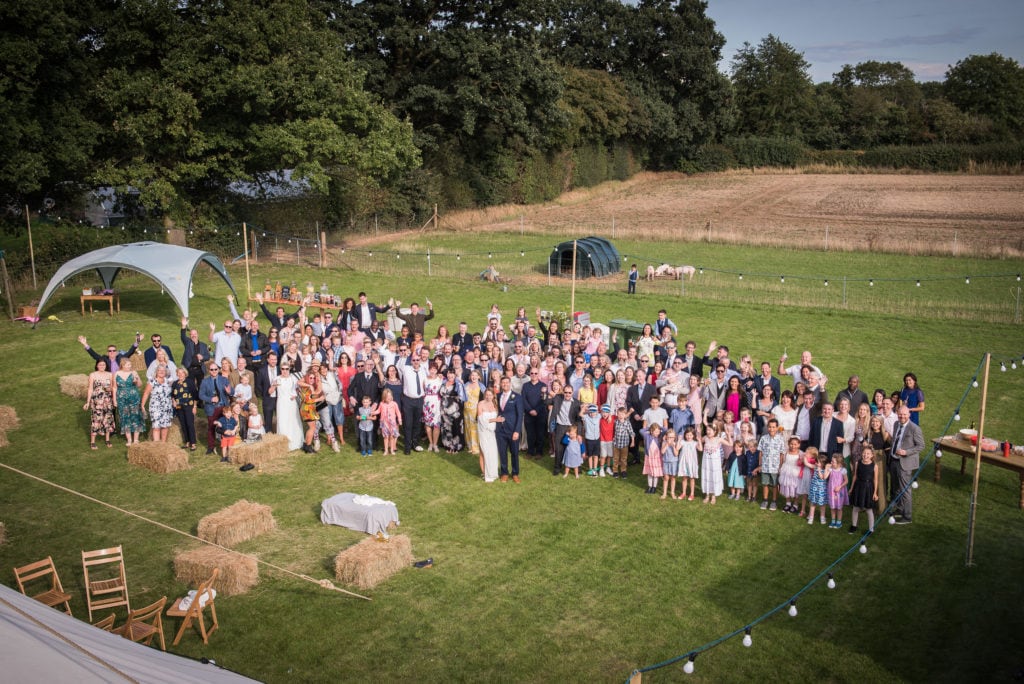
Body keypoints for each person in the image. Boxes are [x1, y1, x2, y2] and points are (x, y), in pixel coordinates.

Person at [889, 406, 923, 524]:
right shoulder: (896, 424)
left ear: (909, 415)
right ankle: (900, 509)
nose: (902, 417)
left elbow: (920, 446)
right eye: (900, 414)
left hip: (905, 463)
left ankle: (907, 516)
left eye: (904, 415)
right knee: (897, 488)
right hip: (894, 459)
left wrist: (906, 452)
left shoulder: (915, 428)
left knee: (905, 489)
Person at [199, 361, 233, 454]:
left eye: (215, 369)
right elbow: (201, 395)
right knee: (211, 427)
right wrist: (210, 399)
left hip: (223, 407)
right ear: (209, 371)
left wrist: (229, 391)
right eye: (212, 369)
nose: (214, 371)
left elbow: (232, 391)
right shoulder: (205, 381)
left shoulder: (224, 379)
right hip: (212, 408)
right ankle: (211, 446)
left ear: (218, 370)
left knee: (225, 426)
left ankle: (226, 445)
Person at [494, 376, 524, 483]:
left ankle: (515, 473)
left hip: (512, 430)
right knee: (502, 452)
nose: (505, 384)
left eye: (507, 382)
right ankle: (504, 473)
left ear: (510, 383)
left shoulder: (517, 397)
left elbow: (520, 415)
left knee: (514, 453)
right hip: (500, 430)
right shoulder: (497, 396)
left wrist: (517, 431)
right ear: (501, 384)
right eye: (503, 383)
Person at [84, 358, 116, 449]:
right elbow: (90, 388)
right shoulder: (93, 375)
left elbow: (113, 388)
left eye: (104, 365)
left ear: (106, 366)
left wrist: (110, 392)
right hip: (96, 401)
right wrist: (87, 401)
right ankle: (93, 442)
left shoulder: (110, 374)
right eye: (100, 365)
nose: (102, 366)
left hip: (107, 400)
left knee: (108, 419)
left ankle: (107, 439)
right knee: (96, 419)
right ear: (97, 365)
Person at [271, 364, 304, 451]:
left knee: (293, 420)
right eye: (283, 369)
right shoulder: (277, 379)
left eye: (286, 369)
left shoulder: (293, 378)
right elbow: (270, 391)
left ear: (289, 369)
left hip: (291, 403)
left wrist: (295, 394)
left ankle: (295, 441)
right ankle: (284, 443)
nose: (285, 371)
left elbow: (298, 389)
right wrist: (274, 386)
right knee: (282, 421)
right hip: (281, 403)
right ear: (280, 369)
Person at [398, 356, 427, 454]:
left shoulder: (423, 370)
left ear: (420, 361)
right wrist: (405, 355)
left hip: (419, 400)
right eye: (413, 360)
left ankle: (415, 443)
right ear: (411, 361)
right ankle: (407, 446)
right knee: (408, 424)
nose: (415, 362)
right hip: (408, 400)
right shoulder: (406, 369)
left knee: (417, 424)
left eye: (417, 360)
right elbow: (399, 364)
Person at [849, 445, 880, 534]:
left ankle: (871, 529)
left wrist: (875, 493)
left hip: (868, 488)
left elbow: (875, 479)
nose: (865, 455)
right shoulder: (858, 463)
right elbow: (855, 476)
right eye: (864, 453)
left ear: (872, 455)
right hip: (858, 487)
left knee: (869, 509)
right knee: (855, 508)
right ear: (862, 454)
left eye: (868, 454)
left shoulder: (874, 466)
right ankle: (854, 526)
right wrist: (851, 488)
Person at [114, 358, 145, 446]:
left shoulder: (134, 373)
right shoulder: (117, 374)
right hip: (121, 399)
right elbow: (114, 387)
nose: (130, 366)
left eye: (130, 365)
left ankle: (136, 439)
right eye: (128, 365)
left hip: (134, 397)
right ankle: (129, 440)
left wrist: (137, 379)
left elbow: (140, 385)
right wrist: (114, 400)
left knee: (135, 416)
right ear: (122, 365)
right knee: (125, 417)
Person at [757, 419, 786, 511]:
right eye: (770, 427)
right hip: (765, 466)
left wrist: (780, 467)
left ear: (777, 428)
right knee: (765, 484)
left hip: (775, 467)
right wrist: (760, 465)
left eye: (774, 427)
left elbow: (781, 454)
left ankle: (774, 501)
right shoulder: (763, 438)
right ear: (767, 427)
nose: (771, 429)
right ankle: (765, 500)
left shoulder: (780, 439)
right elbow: (760, 453)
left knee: (774, 485)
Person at [141, 365, 174, 443]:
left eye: (163, 370)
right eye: (159, 370)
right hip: (155, 407)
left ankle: (163, 443)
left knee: (165, 426)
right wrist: (142, 405)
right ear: (156, 372)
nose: (162, 372)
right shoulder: (152, 382)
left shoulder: (168, 382)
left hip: (167, 407)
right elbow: (146, 393)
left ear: (166, 372)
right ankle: (157, 444)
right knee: (156, 426)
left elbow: (172, 393)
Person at [171, 367, 198, 451]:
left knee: (190, 424)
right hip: (179, 407)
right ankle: (187, 442)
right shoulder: (175, 383)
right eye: (178, 373)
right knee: (183, 424)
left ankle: (193, 443)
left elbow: (195, 395)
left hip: (189, 406)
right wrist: (173, 402)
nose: (180, 374)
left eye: (182, 373)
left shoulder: (189, 382)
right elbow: (172, 395)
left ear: (185, 373)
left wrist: (194, 406)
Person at [439, 367, 465, 453]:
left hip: (455, 410)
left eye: (452, 373)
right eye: (449, 373)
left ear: (455, 375)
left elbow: (462, 397)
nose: (450, 375)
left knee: (456, 427)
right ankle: (448, 445)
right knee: (446, 427)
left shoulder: (458, 384)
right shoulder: (443, 383)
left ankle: (456, 446)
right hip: (444, 410)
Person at [701, 420, 727, 504]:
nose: (708, 432)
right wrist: (698, 433)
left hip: (715, 463)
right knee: (707, 476)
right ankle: (707, 495)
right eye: (707, 430)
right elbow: (698, 441)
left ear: (715, 431)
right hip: (706, 463)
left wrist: (728, 434)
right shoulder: (705, 438)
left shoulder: (718, 439)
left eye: (710, 430)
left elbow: (730, 443)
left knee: (714, 477)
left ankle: (713, 496)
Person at [477, 389, 500, 482]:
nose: (488, 397)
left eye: (490, 395)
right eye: (487, 395)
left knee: (492, 452)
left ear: (493, 395)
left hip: (492, 432)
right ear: (484, 395)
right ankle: (484, 473)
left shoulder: (495, 404)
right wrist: (494, 420)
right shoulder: (480, 404)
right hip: (483, 431)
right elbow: (480, 419)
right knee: (484, 451)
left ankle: (492, 472)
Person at [778, 436, 804, 513]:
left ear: (799, 445)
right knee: (787, 486)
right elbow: (782, 461)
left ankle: (795, 504)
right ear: (789, 444)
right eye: (791, 444)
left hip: (796, 472)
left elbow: (803, 463)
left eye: (795, 444)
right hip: (786, 471)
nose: (793, 446)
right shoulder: (786, 452)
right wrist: (780, 469)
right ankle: (788, 503)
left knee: (795, 487)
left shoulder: (801, 453)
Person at [827, 453, 849, 529]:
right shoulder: (830, 469)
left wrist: (840, 486)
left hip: (840, 491)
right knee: (832, 507)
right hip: (832, 491)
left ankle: (839, 522)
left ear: (839, 463)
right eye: (831, 461)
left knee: (839, 507)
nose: (831, 463)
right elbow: (825, 477)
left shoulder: (843, 470)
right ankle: (833, 521)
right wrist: (827, 468)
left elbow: (846, 481)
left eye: (833, 462)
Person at [640, 422, 663, 493]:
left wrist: (660, 428)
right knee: (650, 473)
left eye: (658, 432)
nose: (657, 433)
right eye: (656, 432)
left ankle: (654, 487)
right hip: (649, 457)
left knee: (656, 474)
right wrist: (649, 428)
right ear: (651, 431)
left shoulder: (659, 437)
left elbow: (665, 430)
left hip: (657, 458)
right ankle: (650, 486)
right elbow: (641, 430)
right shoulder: (647, 436)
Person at [807, 449, 829, 525]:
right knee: (813, 504)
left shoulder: (826, 470)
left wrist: (820, 470)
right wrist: (805, 458)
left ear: (823, 463)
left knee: (822, 505)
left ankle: (822, 517)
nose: (816, 463)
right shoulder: (815, 467)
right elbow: (808, 464)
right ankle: (811, 517)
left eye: (818, 462)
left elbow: (822, 477)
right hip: (814, 488)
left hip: (821, 490)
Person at [378, 388, 402, 455]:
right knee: (385, 437)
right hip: (384, 423)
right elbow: (378, 411)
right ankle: (386, 450)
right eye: (387, 396)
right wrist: (372, 412)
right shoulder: (381, 404)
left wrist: (400, 420)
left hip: (392, 423)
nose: (389, 398)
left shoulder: (394, 404)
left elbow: (398, 412)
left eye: (390, 396)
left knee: (392, 437)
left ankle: (391, 450)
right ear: (384, 397)